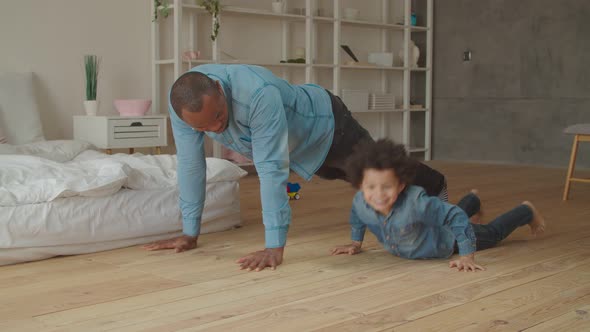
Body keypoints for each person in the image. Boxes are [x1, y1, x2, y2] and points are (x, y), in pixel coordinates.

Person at [143, 64, 448, 271]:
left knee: (377, 176)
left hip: (329, 127)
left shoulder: (259, 94)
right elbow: (191, 164)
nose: (216, 128)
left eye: (219, 116)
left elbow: (272, 169)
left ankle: (435, 184)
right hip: (299, 147)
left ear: (221, 91)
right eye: (205, 126)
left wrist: (274, 246)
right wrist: (190, 231)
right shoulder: (182, 105)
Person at [331, 139, 546, 271]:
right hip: (428, 231)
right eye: (370, 187)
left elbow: (455, 217)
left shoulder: (416, 203)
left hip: (447, 241)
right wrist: (355, 243)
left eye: (386, 187)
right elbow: (357, 216)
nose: (378, 195)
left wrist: (466, 256)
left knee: (492, 232)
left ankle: (525, 211)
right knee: (445, 213)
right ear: (360, 184)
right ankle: (472, 199)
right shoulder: (360, 201)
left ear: (401, 185)